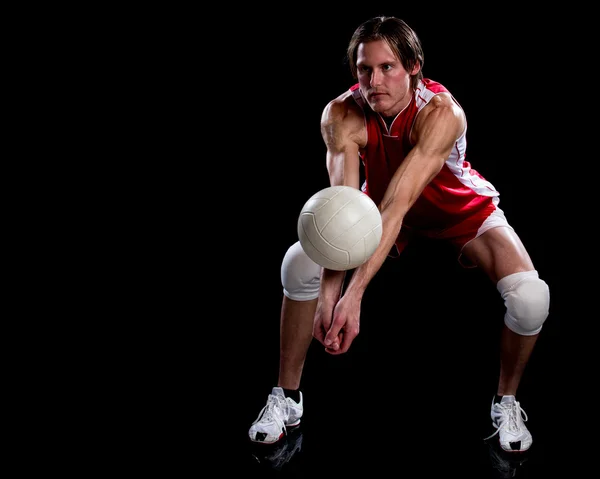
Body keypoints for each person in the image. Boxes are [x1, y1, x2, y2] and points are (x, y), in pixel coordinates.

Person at [248, 16, 550, 453]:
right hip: (378, 210)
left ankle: (506, 400)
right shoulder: (341, 114)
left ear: (413, 66)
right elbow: (341, 209)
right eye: (364, 69)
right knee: (298, 263)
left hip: (456, 211)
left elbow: (399, 203)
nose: (375, 81)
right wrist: (328, 297)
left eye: (387, 67)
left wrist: (352, 298)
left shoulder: (442, 114)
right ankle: (286, 396)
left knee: (531, 298)